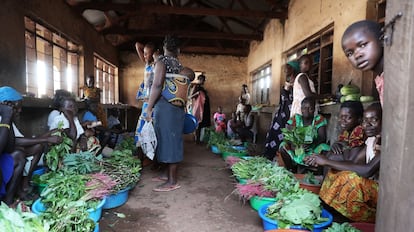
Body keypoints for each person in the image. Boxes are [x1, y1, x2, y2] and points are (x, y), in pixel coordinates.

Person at [304, 103, 382, 223]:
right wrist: (325, 161)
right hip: (371, 186)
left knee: (350, 179)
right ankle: (329, 209)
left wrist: (326, 161)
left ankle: (359, 217)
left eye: (374, 120)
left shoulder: (387, 143)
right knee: (335, 173)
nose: (367, 125)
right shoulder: (371, 140)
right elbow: (354, 163)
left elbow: (367, 170)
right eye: (366, 120)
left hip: (384, 192)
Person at [145, 35, 194, 192]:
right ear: (178, 50)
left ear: (164, 47)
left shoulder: (162, 62)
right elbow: (190, 75)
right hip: (176, 108)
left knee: (169, 141)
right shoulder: (179, 65)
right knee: (169, 139)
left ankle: (172, 181)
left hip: (166, 108)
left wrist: (149, 107)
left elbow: (157, 85)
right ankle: (167, 174)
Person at [279, 97, 330, 173]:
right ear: (301, 109)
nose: (307, 111)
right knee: (283, 146)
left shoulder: (319, 119)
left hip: (312, 151)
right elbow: (287, 137)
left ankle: (316, 171)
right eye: (304, 108)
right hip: (297, 151)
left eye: (310, 108)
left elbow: (322, 138)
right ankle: (291, 169)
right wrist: (296, 144)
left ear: (314, 110)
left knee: (325, 147)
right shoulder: (295, 119)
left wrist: (312, 143)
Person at [263, 60, 300, 160]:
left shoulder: (298, 83)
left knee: (284, 136)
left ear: (293, 69)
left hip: (289, 114)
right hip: (281, 114)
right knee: (273, 134)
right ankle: (270, 156)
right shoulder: (288, 82)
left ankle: (280, 158)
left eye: (287, 68)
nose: (285, 70)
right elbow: (283, 98)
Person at [342, 20, 383, 106]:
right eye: (350, 53)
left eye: (363, 45)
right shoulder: (380, 79)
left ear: (382, 39)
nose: (357, 55)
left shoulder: (396, 77)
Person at [0, 88, 26, 206]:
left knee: (19, 155)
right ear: (7, 104)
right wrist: (6, 118)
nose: (19, 110)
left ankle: (8, 201)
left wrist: (8, 119)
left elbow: (9, 147)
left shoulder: (5, 116)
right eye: (17, 106)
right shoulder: (3, 117)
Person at [190, 74, 211, 143]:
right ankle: (197, 139)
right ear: (199, 80)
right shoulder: (196, 87)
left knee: (202, 124)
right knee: (198, 123)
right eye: (201, 79)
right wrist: (197, 93)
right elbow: (191, 96)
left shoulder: (202, 88)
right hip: (199, 108)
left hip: (204, 107)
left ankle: (200, 139)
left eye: (204, 80)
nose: (203, 81)